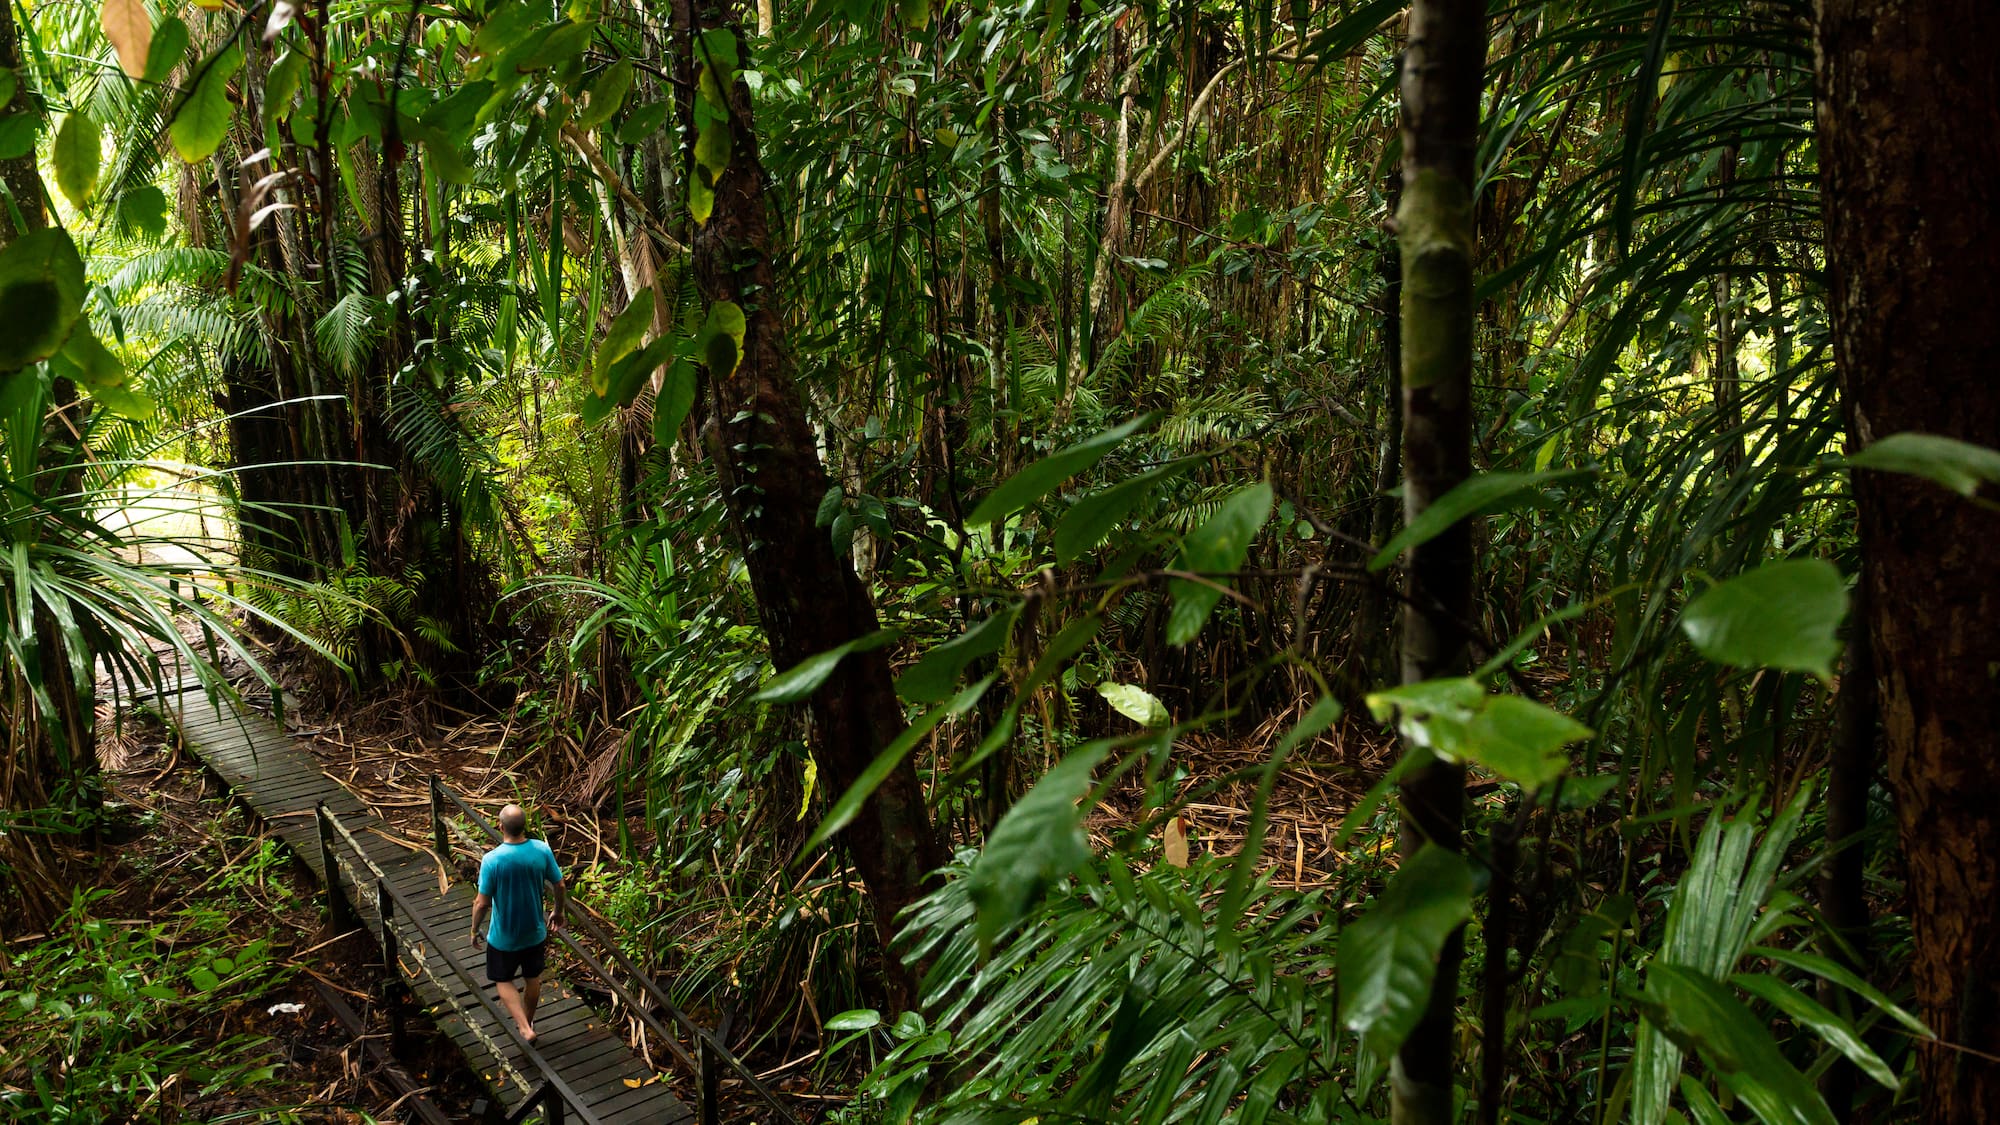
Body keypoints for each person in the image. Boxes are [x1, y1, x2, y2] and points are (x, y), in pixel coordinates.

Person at [470, 803, 566, 1045]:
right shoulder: (541, 850)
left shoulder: (492, 860)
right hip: (534, 932)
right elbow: (560, 884)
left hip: (504, 936)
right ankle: (529, 1021)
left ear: (500, 826)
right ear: (525, 825)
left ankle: (524, 1027)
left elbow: (481, 903)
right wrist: (557, 911)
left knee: (503, 980)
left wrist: (473, 930)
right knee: (533, 978)